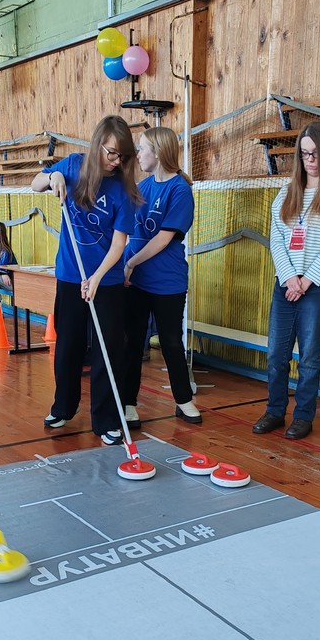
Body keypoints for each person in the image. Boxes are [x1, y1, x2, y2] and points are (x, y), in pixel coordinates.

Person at [31, 115, 140, 446]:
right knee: (68, 345)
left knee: (108, 351)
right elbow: (35, 183)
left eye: (122, 156)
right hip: (69, 274)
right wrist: (51, 178)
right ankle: (63, 407)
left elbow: (119, 244)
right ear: (97, 146)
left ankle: (106, 419)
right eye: (111, 153)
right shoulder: (74, 166)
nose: (115, 161)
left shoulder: (123, 190)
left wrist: (96, 277)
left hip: (104, 280)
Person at [252, 121, 320, 440]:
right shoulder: (287, 192)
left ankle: (304, 415)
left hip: (319, 287)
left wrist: (306, 280)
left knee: (309, 356)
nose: (310, 160)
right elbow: (278, 239)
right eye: (304, 153)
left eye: (315, 154)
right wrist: (289, 278)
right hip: (286, 284)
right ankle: (274, 411)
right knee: (276, 353)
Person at [119, 126, 200, 429]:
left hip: (167, 282)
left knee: (170, 342)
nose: (138, 154)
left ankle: (183, 399)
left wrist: (130, 263)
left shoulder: (180, 190)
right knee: (132, 342)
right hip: (135, 282)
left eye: (141, 148)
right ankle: (128, 402)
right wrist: (125, 265)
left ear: (158, 151)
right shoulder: (143, 186)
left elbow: (162, 240)